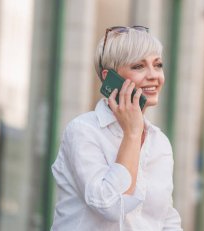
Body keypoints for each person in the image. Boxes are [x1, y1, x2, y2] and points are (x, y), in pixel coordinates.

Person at [51, 25, 183, 231]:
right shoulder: (83, 131)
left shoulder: (160, 143)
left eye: (158, 65)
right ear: (109, 77)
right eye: (139, 66)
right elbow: (110, 206)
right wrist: (132, 134)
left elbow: (166, 219)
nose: (153, 75)